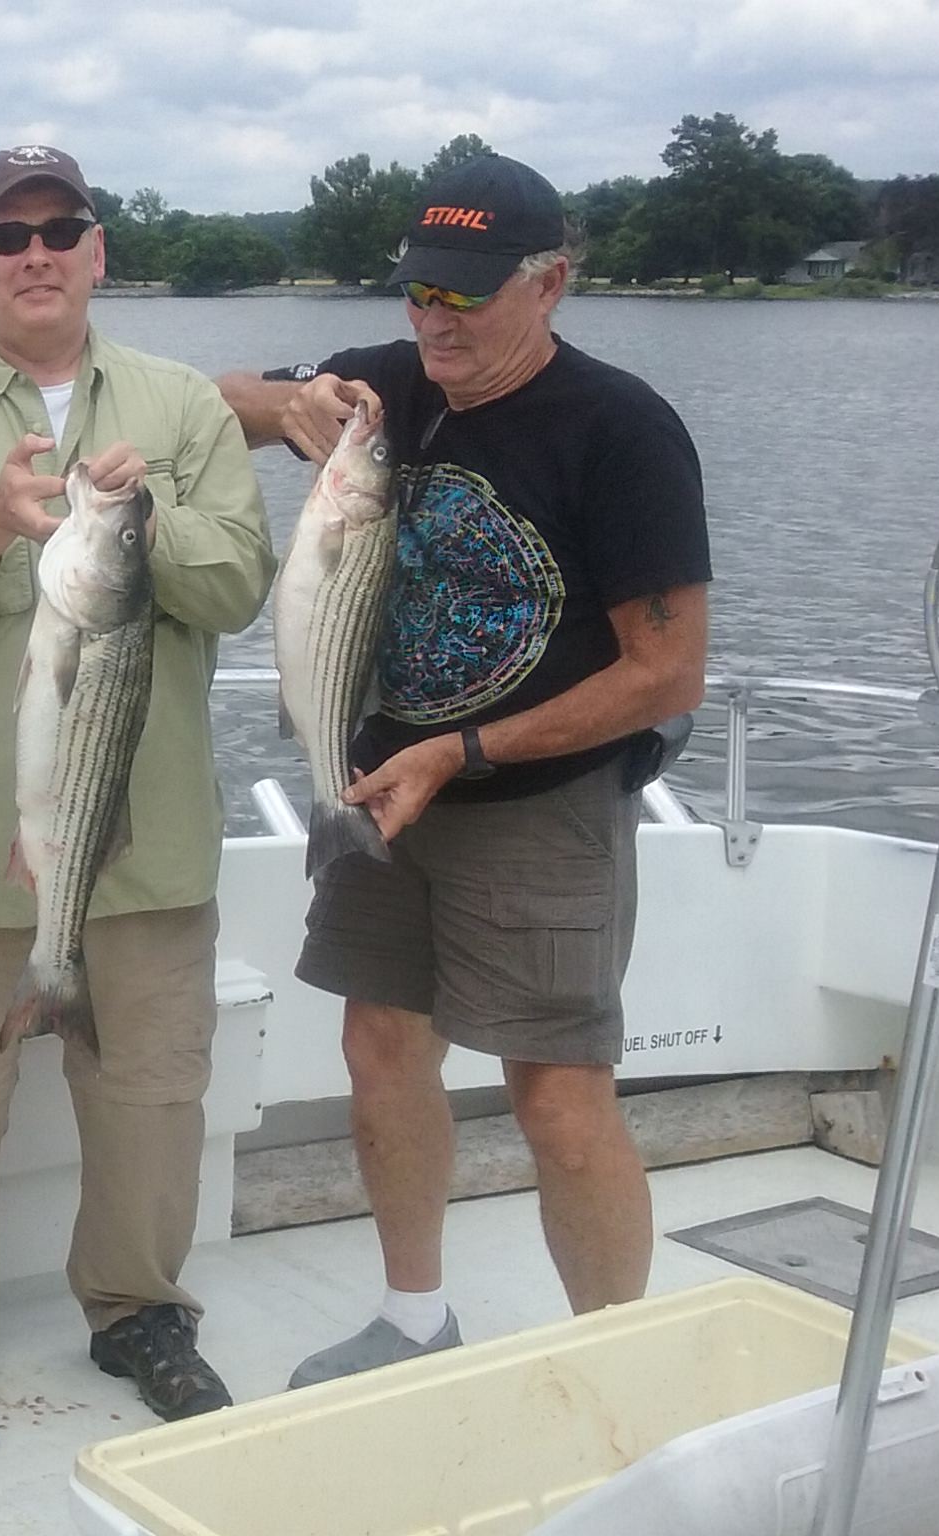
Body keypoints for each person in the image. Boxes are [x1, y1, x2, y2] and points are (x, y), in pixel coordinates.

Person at [217, 152, 711, 1387]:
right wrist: (286, 408)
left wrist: (464, 749)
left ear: (548, 285)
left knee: (556, 1098)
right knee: (379, 1049)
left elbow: (666, 673)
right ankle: (411, 1314)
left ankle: (616, 1370)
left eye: (466, 294)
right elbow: (210, 399)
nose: (432, 319)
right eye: (419, 291)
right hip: (383, 790)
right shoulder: (386, 386)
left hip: (533, 807)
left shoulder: (622, 429)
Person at [0, 144, 275, 1451]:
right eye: (5, 233)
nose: (35, 253)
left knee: (151, 1105)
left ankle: (140, 1309)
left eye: (59, 229)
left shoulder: (185, 407)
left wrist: (142, 522)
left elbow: (244, 584)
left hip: (148, 858)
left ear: (97, 250)